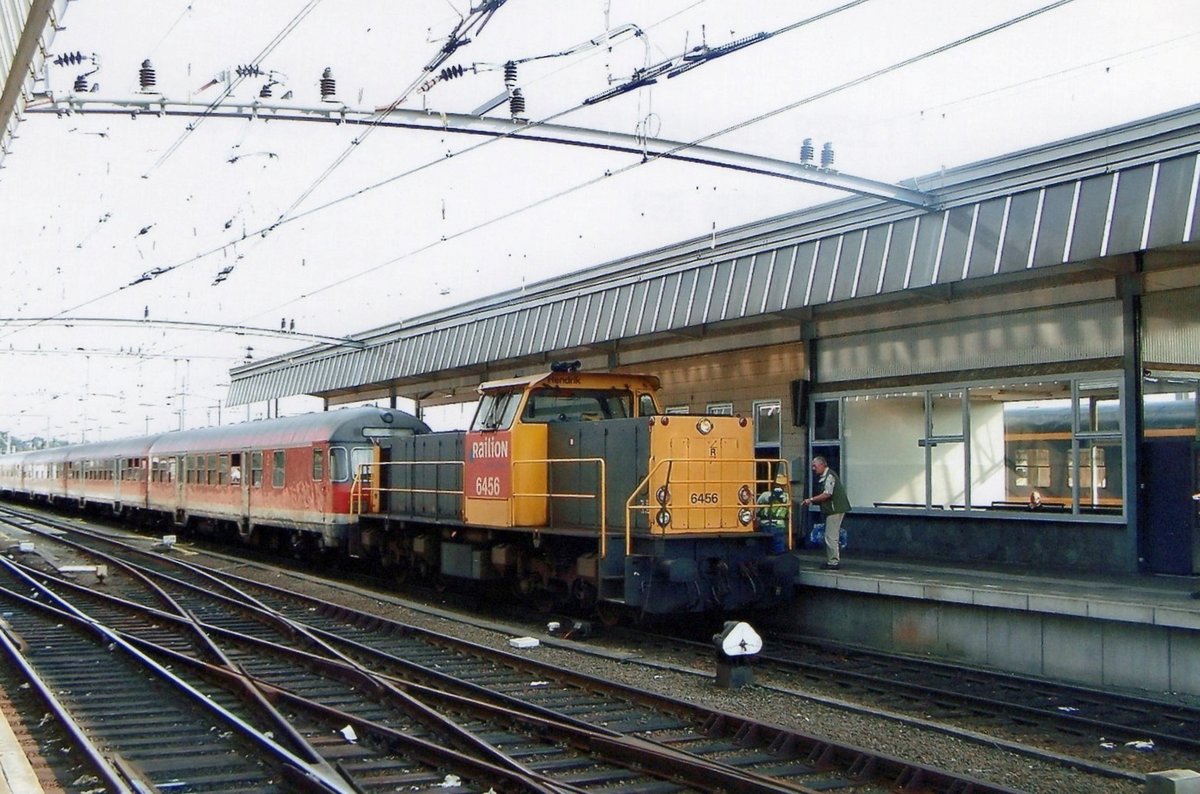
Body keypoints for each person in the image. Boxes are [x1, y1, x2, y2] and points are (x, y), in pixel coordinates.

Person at [802, 456, 851, 570]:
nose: (813, 469)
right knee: (831, 535)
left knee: (830, 536)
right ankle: (832, 560)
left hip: (835, 509)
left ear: (823, 465)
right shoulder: (825, 476)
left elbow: (827, 494)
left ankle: (833, 562)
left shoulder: (829, 476)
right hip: (833, 509)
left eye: (815, 466)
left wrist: (811, 500)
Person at [756, 473, 790, 553]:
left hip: (764, 523)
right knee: (778, 547)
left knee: (764, 547)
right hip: (779, 525)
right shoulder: (786, 496)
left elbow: (757, 506)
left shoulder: (765, 495)